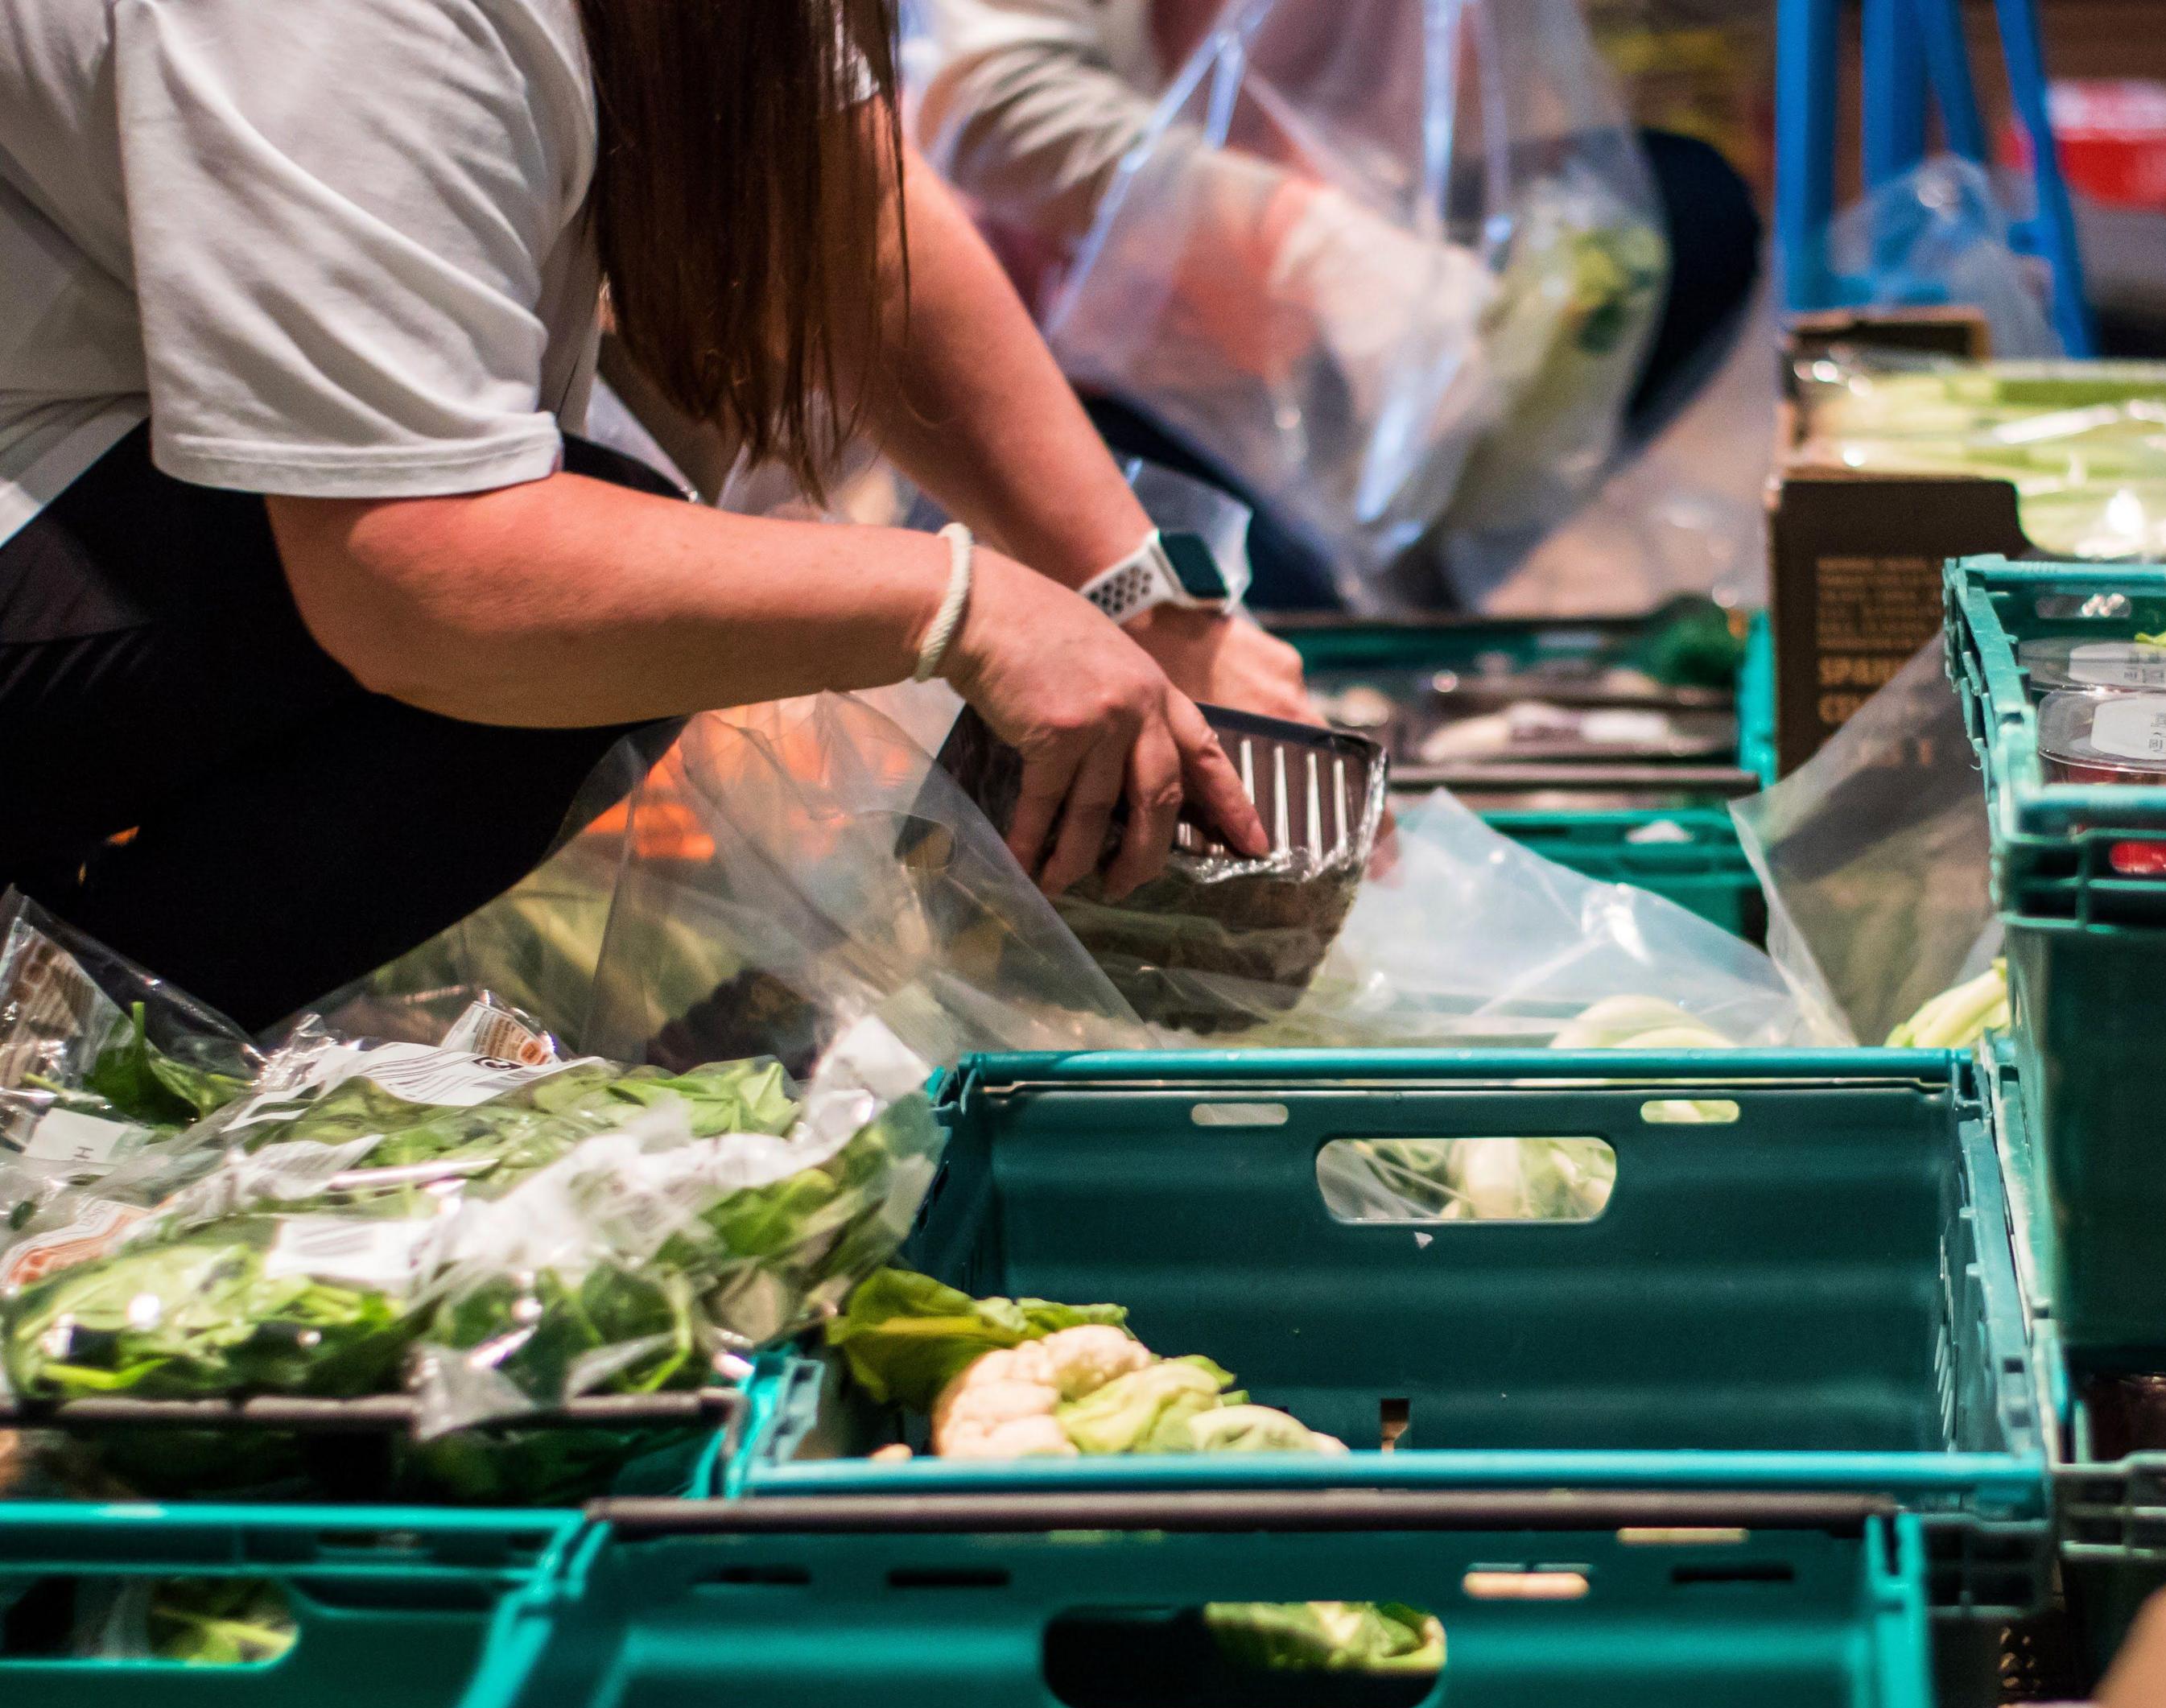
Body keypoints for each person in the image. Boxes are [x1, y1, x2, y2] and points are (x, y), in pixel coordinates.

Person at [0, 0, 1326, 1029]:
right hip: (52, 492)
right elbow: (419, 571)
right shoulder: (351, 29)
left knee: (635, 558)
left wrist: (1135, 598)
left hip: (116, 451)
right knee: (582, 597)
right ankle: (87, 1100)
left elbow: (844, 213)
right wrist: (956, 606)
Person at [913, 0, 1763, 611]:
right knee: (1246, 660)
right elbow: (983, 103)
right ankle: (1318, 587)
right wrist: (1303, 243)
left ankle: (1402, 572)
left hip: (1340, 338)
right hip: (1105, 368)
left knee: (1684, 211)